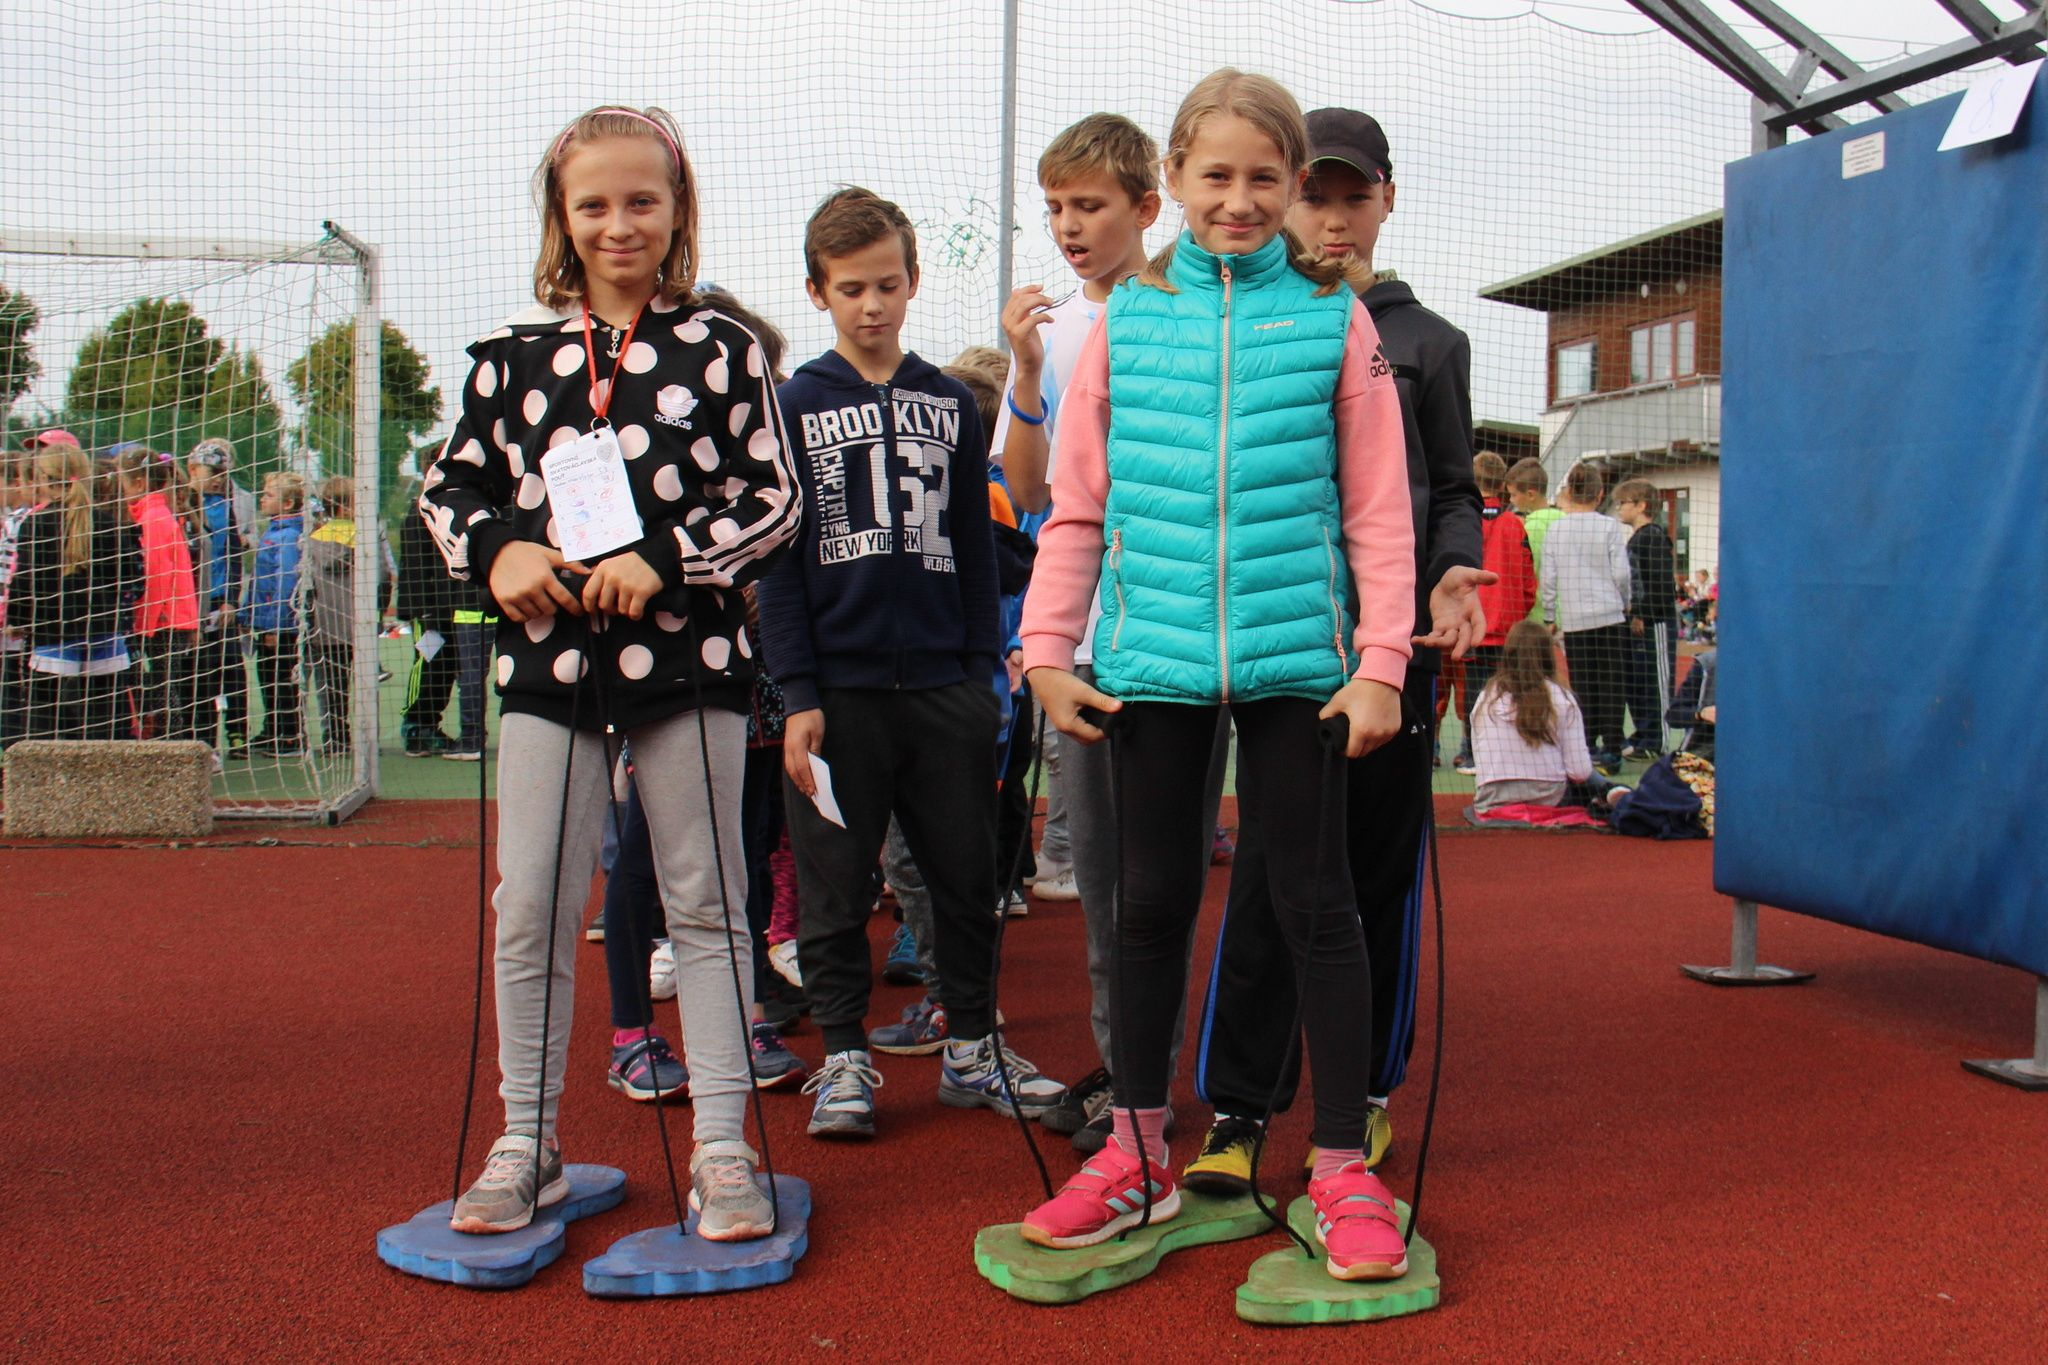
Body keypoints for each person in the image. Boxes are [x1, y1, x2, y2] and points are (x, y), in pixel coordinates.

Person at [1016, 70, 1417, 1283]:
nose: (1237, 200)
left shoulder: (1334, 320)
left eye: (1261, 178)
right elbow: (1074, 506)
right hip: (1152, 662)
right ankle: (1135, 1152)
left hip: (1301, 665)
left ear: (1291, 188)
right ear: (1174, 183)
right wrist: (1045, 651)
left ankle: (1339, 1165)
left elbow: (1378, 513)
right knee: (1145, 905)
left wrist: (1381, 664)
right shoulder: (1127, 320)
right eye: (1214, 176)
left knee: (1316, 906)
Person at [418, 104, 803, 1240]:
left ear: (678, 209)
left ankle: (723, 1147)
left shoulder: (723, 349)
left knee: (707, 900)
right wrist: (502, 552)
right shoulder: (510, 360)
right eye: (593, 203)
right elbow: (448, 492)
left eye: (642, 200)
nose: (618, 223)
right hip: (548, 663)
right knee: (530, 902)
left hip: (689, 659)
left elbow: (773, 499)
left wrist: (665, 560)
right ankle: (526, 1140)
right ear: (561, 216)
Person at [1191, 104, 1487, 1195]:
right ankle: (1238, 1107)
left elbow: (1451, 488)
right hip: (1286, 646)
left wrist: (1452, 568)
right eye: (1311, 195)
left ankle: (1357, 1099)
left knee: (1375, 877)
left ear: (1385, 201)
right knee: (1272, 876)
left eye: (1351, 196)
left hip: (1392, 656)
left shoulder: (1430, 343)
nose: (1330, 218)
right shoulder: (1251, 321)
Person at [756, 187, 1064, 1142]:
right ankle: (845, 1056)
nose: (873, 305)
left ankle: (972, 1045)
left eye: (888, 285)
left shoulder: (947, 401)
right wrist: (798, 694)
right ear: (818, 291)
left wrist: (981, 673)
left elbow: (975, 546)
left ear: (914, 281)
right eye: (852, 288)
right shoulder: (792, 404)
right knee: (836, 886)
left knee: (965, 880)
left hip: (946, 689)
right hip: (839, 695)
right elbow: (778, 566)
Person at [994, 112, 1210, 1150]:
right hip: (1081, 637)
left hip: (1173, 632)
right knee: (1100, 882)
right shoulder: (1053, 333)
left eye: (1089, 205)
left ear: (1146, 206)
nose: (1069, 227)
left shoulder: (1183, 309)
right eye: (1055, 209)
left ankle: (1154, 1079)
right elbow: (1029, 493)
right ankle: (1125, 1070)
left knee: (1160, 878)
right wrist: (1025, 370)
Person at [12, 442, 143, 741]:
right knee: (106, 728)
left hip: (52, 635)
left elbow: (25, 581)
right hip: (102, 633)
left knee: (48, 730)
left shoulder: (35, 523)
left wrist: (18, 620)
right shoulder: (109, 523)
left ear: (44, 478)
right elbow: (130, 577)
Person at [1471, 619, 1628, 815]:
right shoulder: (1561, 697)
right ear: (1547, 654)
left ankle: (1608, 791)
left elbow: (1479, 756)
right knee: (1587, 787)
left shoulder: (1485, 697)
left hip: (1492, 798)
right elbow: (1579, 772)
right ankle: (1609, 791)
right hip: (1549, 797)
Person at [1538, 461, 1630, 771]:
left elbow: (1548, 576)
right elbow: (1621, 573)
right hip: (1609, 615)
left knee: (1582, 683)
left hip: (1575, 617)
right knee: (1612, 683)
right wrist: (1624, 601)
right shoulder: (1609, 526)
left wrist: (1549, 614)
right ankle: (1613, 749)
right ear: (1600, 493)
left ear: (1568, 492)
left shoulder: (1556, 529)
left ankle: (1586, 746)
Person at [115, 447, 202, 745]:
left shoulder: (153, 518)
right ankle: (169, 744)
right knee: (163, 687)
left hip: (164, 620)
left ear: (139, 483)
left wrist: (142, 624)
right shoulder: (153, 514)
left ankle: (173, 747)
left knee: (164, 689)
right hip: (168, 617)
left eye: (123, 482)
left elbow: (156, 576)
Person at [1459, 449, 1536, 767]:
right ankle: (1506, 753)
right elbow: (1528, 581)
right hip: (1508, 629)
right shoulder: (1514, 525)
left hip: (1473, 626)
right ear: (1503, 484)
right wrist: (1518, 613)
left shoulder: (1464, 522)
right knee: (1509, 691)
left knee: (1474, 692)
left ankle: (1473, 754)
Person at [392, 465, 464, 756]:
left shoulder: (450, 508)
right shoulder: (420, 512)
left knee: (446, 667)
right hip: (427, 612)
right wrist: (420, 611)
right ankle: (415, 726)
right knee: (427, 663)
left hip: (449, 607)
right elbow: (414, 565)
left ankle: (429, 725)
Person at [185, 438, 251, 754]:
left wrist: (231, 600)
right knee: (199, 676)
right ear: (192, 469)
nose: (219, 479)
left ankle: (237, 734)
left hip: (219, 602)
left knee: (232, 670)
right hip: (190, 605)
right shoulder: (182, 505)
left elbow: (234, 556)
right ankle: (202, 740)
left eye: (223, 473)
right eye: (212, 472)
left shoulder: (225, 507)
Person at [301, 475, 375, 757]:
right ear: (346, 507)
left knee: (330, 686)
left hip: (327, 624)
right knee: (362, 685)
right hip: (359, 623)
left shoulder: (313, 539)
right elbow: (383, 575)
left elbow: (306, 582)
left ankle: (335, 738)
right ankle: (365, 738)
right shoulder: (366, 537)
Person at [236, 471, 306, 758]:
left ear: (287, 503)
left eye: (268, 495)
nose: (262, 500)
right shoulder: (274, 531)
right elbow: (259, 580)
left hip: (280, 625)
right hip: (265, 620)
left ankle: (289, 735)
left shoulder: (288, 536)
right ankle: (273, 727)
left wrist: (277, 626)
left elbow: (285, 583)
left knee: (280, 678)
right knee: (267, 677)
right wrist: (246, 615)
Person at [1613, 478, 1677, 759]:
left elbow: (1661, 585)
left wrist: (1642, 613)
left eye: (1623, 503)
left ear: (1641, 506)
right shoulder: (1636, 539)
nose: (1619, 508)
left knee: (1657, 683)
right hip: (1637, 622)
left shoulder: (1653, 537)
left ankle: (1657, 740)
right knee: (1638, 681)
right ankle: (1644, 733)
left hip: (1656, 622)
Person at [1507, 457, 1561, 622]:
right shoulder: (1564, 519)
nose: (1511, 500)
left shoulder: (1532, 527)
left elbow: (1528, 572)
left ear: (1530, 494)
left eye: (1514, 495)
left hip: (1540, 615)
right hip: (1567, 612)